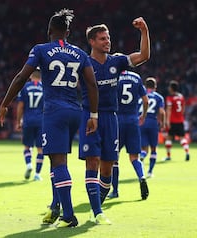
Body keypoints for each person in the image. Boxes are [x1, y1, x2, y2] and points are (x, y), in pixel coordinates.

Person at [0, 9, 99, 228]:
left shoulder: (41, 49)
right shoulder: (80, 53)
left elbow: (21, 77)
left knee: (58, 161)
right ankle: (55, 205)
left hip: (54, 111)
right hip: (75, 111)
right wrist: (93, 114)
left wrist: (5, 104)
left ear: (49, 30)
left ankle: (69, 216)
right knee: (58, 159)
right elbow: (91, 84)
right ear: (68, 32)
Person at [80, 17, 150, 224]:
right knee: (92, 161)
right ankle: (98, 212)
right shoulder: (84, 63)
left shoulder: (116, 61)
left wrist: (144, 32)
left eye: (108, 38)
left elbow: (144, 55)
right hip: (90, 117)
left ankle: (96, 210)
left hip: (112, 118)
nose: (107, 42)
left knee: (108, 169)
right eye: (102, 39)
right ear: (92, 41)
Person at [108, 70, 149, 200]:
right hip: (133, 121)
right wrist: (143, 115)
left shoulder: (114, 77)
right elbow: (145, 100)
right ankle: (142, 178)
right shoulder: (136, 77)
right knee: (134, 157)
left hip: (117, 121)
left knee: (114, 158)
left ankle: (115, 190)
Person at [15, 68, 44, 181]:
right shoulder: (45, 88)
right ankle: (37, 174)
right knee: (40, 149)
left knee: (27, 146)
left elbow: (20, 106)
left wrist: (18, 121)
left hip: (28, 120)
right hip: (41, 121)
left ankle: (28, 165)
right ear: (41, 76)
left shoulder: (25, 87)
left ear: (31, 76)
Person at [139, 77, 166, 177]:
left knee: (144, 148)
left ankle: (142, 156)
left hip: (141, 121)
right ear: (155, 86)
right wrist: (162, 123)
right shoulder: (159, 97)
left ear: (145, 85)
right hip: (152, 122)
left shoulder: (140, 95)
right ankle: (150, 171)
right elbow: (162, 112)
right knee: (153, 148)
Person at [164, 80, 190, 161]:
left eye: (169, 87)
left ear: (171, 88)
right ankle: (187, 152)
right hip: (180, 120)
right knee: (182, 138)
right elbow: (183, 108)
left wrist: (167, 121)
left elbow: (169, 109)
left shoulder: (170, 98)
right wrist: (180, 115)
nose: (168, 88)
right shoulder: (181, 97)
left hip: (172, 121)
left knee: (168, 138)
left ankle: (168, 156)